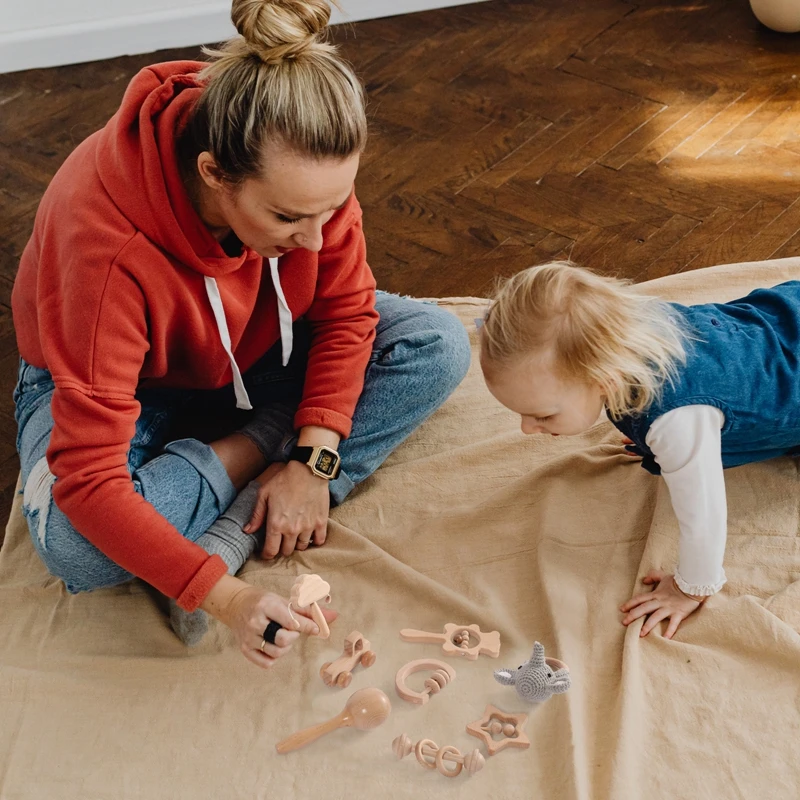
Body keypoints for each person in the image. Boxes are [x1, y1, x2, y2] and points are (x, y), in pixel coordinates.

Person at [11, 0, 470, 668]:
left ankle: (239, 517)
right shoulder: (105, 251)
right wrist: (222, 597)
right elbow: (88, 482)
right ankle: (264, 439)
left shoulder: (305, 176)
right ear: (214, 175)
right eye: (288, 218)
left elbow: (347, 314)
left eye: (334, 208)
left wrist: (315, 464)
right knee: (77, 549)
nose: (318, 238)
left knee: (438, 344)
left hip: (253, 355)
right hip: (119, 384)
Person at [479, 260, 800, 639]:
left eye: (542, 416)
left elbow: (705, 517)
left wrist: (689, 588)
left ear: (604, 378)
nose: (526, 428)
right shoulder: (626, 324)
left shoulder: (676, 420)